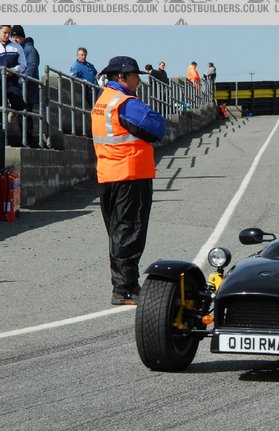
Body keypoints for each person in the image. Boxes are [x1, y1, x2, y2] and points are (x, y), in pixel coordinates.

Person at [91, 56, 166, 305]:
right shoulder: (125, 102)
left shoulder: (102, 101)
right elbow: (157, 126)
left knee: (117, 233)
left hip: (108, 175)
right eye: (135, 76)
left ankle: (122, 285)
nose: (139, 82)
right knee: (129, 232)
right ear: (122, 77)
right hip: (131, 175)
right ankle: (125, 289)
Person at [11, 25, 39, 147]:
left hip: (27, 88)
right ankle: (25, 141)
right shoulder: (19, 49)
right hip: (20, 88)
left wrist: (22, 80)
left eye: (17, 37)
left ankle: (27, 141)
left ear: (22, 37)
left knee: (26, 114)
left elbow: (32, 65)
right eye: (13, 37)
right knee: (22, 116)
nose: (14, 40)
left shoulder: (29, 49)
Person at [0, 25, 27, 139]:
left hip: (11, 79)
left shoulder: (16, 47)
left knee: (20, 103)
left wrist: (13, 70)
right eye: (5, 33)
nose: (7, 35)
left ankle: (14, 111)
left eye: (8, 33)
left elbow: (23, 64)